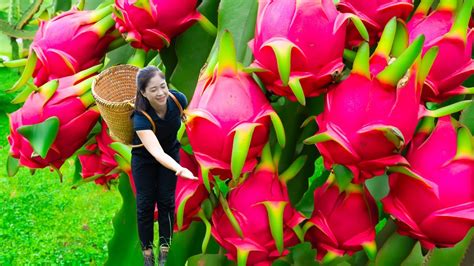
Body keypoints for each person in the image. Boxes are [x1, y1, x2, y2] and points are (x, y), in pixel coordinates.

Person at [131, 66, 196, 266]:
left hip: (170, 153)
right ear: (143, 93)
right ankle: (148, 255)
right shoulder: (140, 117)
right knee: (145, 205)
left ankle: (164, 253)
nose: (160, 93)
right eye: (153, 90)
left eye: (163, 86)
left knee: (167, 202)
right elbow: (156, 152)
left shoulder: (178, 100)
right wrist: (179, 168)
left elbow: (186, 117)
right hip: (145, 160)